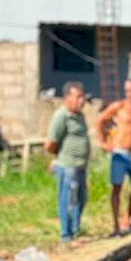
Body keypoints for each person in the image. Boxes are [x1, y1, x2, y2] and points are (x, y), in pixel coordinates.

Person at [95, 79, 131, 236]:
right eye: (127, 91)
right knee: (117, 188)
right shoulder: (119, 106)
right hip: (120, 153)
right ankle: (115, 226)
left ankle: (127, 218)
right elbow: (100, 120)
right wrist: (103, 142)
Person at [45, 81, 90, 246]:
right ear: (67, 98)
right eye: (78, 97)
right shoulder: (61, 116)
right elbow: (50, 143)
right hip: (67, 166)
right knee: (67, 201)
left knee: (81, 199)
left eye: (82, 96)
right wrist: (58, 159)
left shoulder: (79, 116)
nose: (82, 100)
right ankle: (66, 236)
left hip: (80, 165)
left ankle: (75, 231)